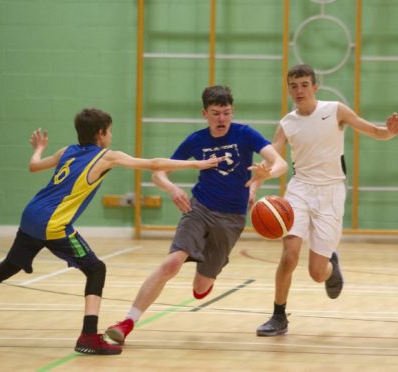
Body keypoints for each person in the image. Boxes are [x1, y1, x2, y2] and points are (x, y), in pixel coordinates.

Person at [0, 108, 224, 355]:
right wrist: (196, 164)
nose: (111, 135)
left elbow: (33, 166)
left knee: (10, 264)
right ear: (101, 134)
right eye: (110, 131)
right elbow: (152, 163)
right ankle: (89, 336)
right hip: (53, 224)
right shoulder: (106, 156)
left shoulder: (66, 151)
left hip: (31, 215)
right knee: (96, 269)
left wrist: (39, 148)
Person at [104, 85, 288, 344]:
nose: (222, 119)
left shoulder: (245, 134)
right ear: (205, 113)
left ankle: (207, 269)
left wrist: (266, 174)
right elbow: (159, 172)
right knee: (171, 263)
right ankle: (127, 322)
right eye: (216, 113)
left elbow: (279, 162)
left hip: (232, 219)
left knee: (201, 288)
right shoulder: (196, 140)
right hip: (198, 209)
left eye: (226, 113)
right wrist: (171, 188)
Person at [256, 64, 398, 337]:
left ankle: (331, 266)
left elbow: (373, 130)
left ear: (315, 87)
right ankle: (279, 316)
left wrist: (390, 131)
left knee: (316, 273)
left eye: (304, 84)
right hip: (299, 189)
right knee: (289, 256)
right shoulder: (287, 123)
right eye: (293, 85)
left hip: (331, 192)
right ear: (288, 89)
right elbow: (273, 158)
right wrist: (260, 175)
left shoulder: (335, 110)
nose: (298, 90)